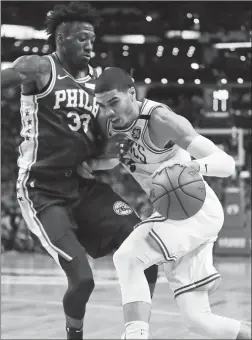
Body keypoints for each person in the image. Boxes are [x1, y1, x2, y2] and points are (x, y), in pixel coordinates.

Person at [1, 5, 158, 340]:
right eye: (82, 38)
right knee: (83, 279)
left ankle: (138, 332)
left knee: (149, 253)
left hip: (84, 187)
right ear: (61, 39)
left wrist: (111, 140)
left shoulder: (99, 85)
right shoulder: (40, 67)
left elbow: (105, 143)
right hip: (43, 191)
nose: (90, 44)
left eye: (93, 38)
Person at [79, 67, 251, 339]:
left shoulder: (160, 119)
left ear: (132, 94)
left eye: (114, 102)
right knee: (199, 321)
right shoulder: (111, 125)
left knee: (128, 257)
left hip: (194, 209)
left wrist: (189, 169)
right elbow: (118, 159)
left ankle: (135, 335)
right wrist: (91, 163)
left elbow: (226, 163)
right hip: (177, 214)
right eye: (102, 105)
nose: (109, 111)